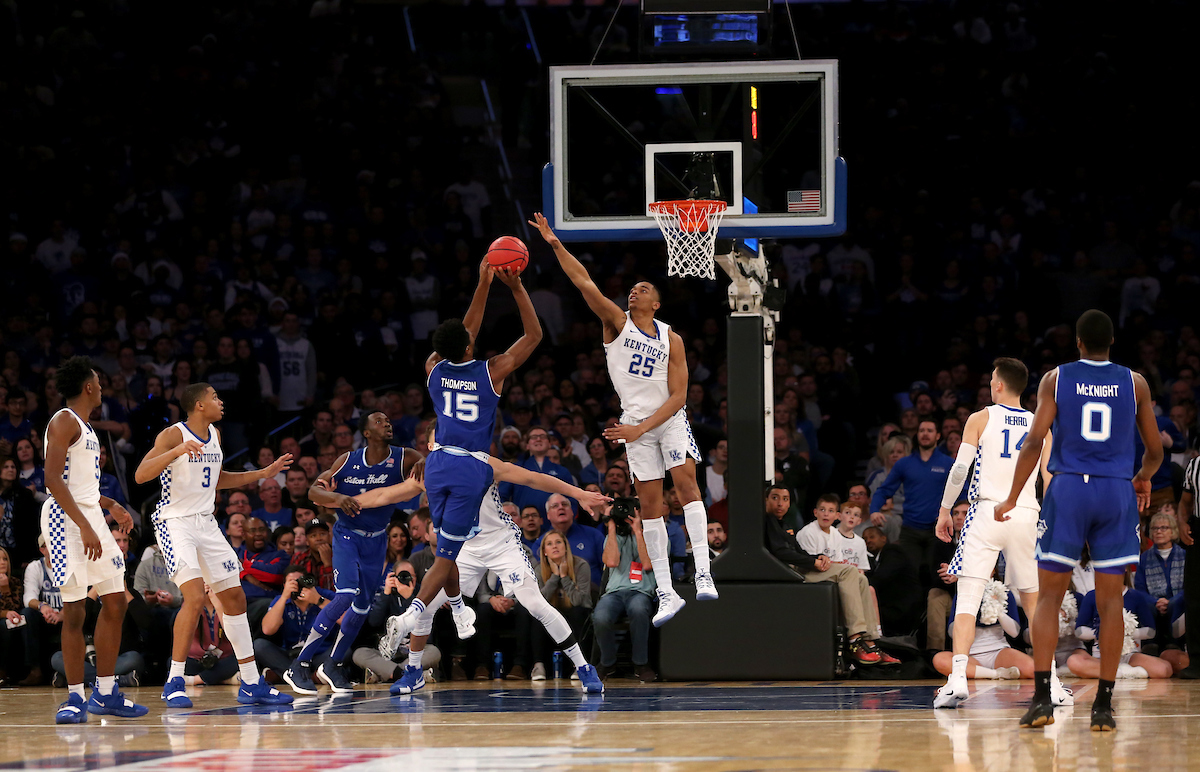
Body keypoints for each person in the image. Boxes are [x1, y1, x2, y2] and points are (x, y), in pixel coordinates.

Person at [531, 212, 717, 626]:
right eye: (632, 288)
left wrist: (640, 428)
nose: (635, 291)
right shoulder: (617, 324)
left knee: (685, 486)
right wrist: (555, 243)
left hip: (665, 420)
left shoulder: (672, 338)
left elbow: (680, 397)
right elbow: (584, 283)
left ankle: (703, 569)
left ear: (657, 303)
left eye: (644, 289)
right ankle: (667, 593)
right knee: (650, 509)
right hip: (634, 424)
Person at [998, 310, 1163, 731]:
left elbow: (1035, 440)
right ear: (1112, 342)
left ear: (1077, 342)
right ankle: (1103, 708)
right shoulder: (1135, 382)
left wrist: (1013, 496)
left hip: (1070, 488)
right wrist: (1142, 479)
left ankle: (1041, 701)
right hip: (1114, 490)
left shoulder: (1056, 378)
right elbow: (1156, 451)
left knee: (1048, 598)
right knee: (1110, 603)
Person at [373, 419, 610, 695]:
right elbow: (383, 496)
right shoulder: (429, 474)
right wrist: (340, 499)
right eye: (441, 438)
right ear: (430, 446)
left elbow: (533, 478)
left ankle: (583, 667)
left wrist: (579, 493)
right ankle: (414, 672)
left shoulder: (482, 462)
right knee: (426, 604)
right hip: (463, 549)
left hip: (501, 544)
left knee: (534, 604)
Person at [406, 257, 541, 653]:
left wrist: (482, 284)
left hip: (438, 464)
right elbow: (533, 336)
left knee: (444, 551)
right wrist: (514, 287)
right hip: (471, 465)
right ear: (468, 346)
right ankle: (416, 612)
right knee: (448, 552)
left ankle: (456, 608)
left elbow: (465, 332)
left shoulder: (432, 368)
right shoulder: (492, 370)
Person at [133, 381, 294, 708]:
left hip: (206, 522)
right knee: (193, 597)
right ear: (198, 405)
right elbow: (140, 475)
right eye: (215, 397)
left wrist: (264, 472)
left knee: (234, 597)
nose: (221, 402)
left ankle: (251, 682)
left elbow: (218, 478)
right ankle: (174, 680)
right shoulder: (173, 435)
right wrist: (175, 452)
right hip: (175, 521)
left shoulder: (216, 436)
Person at [933, 357, 1060, 709]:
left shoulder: (981, 417)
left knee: (968, 597)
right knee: (1035, 603)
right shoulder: (1041, 425)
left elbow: (961, 468)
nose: (990, 383)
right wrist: (1049, 524)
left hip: (987, 511)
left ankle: (957, 678)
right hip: (1027, 513)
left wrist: (945, 509)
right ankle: (1051, 683)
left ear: (999, 385)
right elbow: (1050, 481)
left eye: (991, 379)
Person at [282, 412, 424, 695]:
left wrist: (423, 460)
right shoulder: (346, 461)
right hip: (347, 537)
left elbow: (424, 461)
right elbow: (314, 492)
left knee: (361, 607)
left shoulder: (404, 456)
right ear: (367, 433)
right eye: (379, 421)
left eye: (388, 419)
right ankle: (298, 664)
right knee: (346, 594)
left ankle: (332, 665)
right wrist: (336, 498)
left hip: (377, 540)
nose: (387, 423)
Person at [42, 357, 147, 723]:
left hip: (89, 515)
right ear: (88, 386)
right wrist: (84, 524)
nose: (103, 387)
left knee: (116, 601)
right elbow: (53, 480)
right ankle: (73, 698)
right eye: (98, 382)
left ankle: (105, 693)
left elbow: (81, 487)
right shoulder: (64, 420)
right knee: (74, 608)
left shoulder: (85, 427)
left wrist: (111, 503)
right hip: (66, 520)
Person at [764, 484, 895, 665]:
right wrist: (814, 562)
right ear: (765, 500)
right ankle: (854, 639)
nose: (780, 503)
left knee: (860, 578)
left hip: (800, 568)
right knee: (849, 571)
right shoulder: (767, 521)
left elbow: (798, 551)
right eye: (775, 498)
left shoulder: (785, 524)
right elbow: (781, 553)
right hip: (789, 574)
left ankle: (871, 641)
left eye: (785, 499)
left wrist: (818, 557)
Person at [869, 419, 952, 580]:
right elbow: (884, 490)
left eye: (930, 430)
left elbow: (962, 493)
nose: (925, 434)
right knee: (907, 576)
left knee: (937, 576)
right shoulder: (904, 463)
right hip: (910, 530)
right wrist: (874, 510)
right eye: (922, 431)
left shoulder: (948, 463)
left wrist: (954, 514)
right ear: (917, 435)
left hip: (937, 530)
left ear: (938, 436)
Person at [933, 583, 1034, 680]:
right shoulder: (963, 593)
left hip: (998, 651)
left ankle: (977, 673)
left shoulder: (1004, 591)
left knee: (1031, 669)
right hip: (969, 655)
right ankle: (996, 674)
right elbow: (951, 632)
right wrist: (969, 611)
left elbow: (1014, 633)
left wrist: (996, 609)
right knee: (940, 660)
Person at [1134, 510, 1185, 653]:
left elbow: (1189, 587)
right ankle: (1150, 644)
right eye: (1155, 528)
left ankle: (1174, 643)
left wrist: (1172, 601)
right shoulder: (1144, 558)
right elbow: (1139, 588)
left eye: (1164, 528)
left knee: (1179, 602)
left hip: (1177, 601)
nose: (1159, 532)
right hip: (1153, 602)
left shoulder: (1185, 556)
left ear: (1173, 531)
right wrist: (1155, 601)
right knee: (1144, 603)